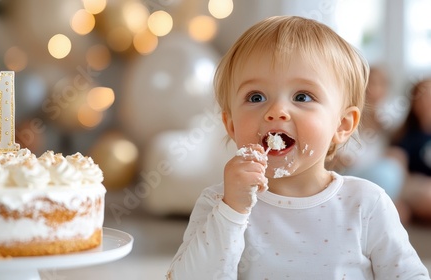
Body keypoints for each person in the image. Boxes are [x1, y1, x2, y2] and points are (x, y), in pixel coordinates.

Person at [167, 16, 429, 279]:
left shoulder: (366, 204)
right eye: (255, 97)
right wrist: (232, 210)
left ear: (342, 124)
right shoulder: (218, 204)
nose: (276, 111)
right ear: (231, 125)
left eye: (302, 97)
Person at [330, 66, 410, 223]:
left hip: (377, 175)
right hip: (350, 174)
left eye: (379, 84)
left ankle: (382, 207)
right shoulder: (345, 116)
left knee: (397, 157)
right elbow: (335, 159)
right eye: (368, 83)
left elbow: (401, 139)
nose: (372, 89)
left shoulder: (388, 117)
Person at [395, 77, 431, 223]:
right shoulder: (406, 136)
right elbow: (399, 168)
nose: (425, 101)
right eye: (421, 97)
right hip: (418, 188)